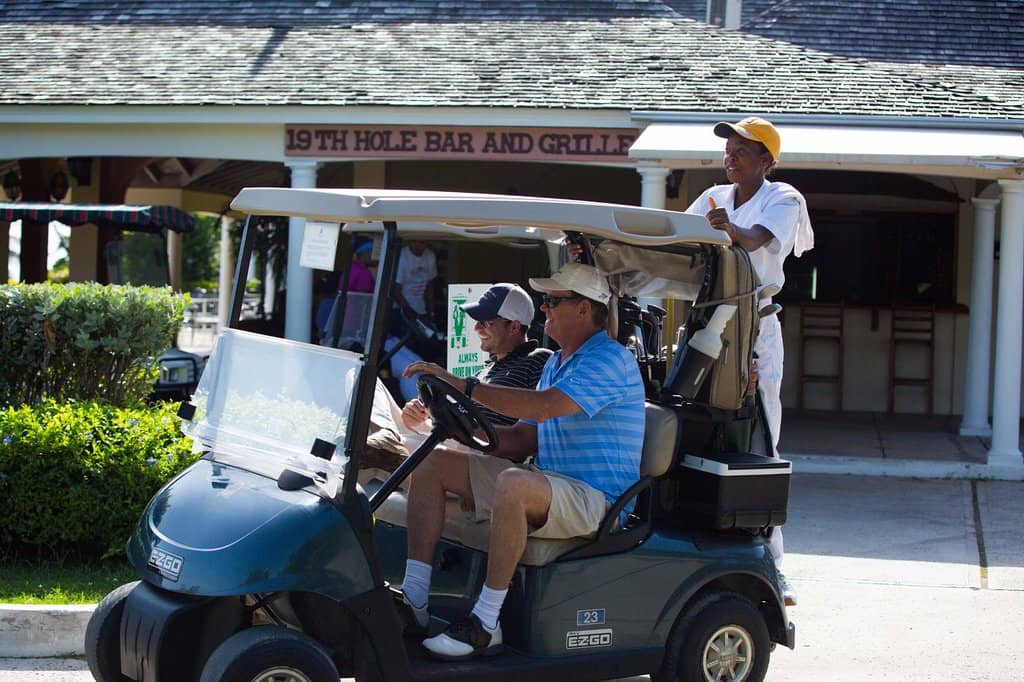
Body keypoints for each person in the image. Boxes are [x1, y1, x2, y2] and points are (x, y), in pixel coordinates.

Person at [399, 263, 645, 660]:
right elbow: (520, 438)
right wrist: (461, 429)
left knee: (513, 484)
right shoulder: (556, 362)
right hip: (552, 483)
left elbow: (545, 408)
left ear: (584, 309)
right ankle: (414, 601)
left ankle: (485, 623)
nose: (544, 309)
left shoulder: (609, 360)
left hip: (599, 500)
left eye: (553, 301)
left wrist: (461, 385)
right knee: (434, 462)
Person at [685, 116, 813, 606]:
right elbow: (680, 237)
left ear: (766, 161)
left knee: (762, 440)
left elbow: (756, 240)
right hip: (708, 326)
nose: (731, 157)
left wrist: (726, 228)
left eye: (743, 150)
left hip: (756, 326)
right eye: (729, 149)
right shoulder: (715, 194)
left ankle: (773, 566)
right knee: (704, 432)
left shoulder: (785, 197)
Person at [362, 283, 548, 473]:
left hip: (485, 456)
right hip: (454, 442)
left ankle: (389, 447)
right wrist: (420, 420)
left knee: (382, 448)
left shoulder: (538, 360)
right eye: (477, 321)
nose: (476, 328)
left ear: (514, 327)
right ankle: (387, 444)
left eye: (486, 322)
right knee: (365, 383)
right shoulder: (482, 372)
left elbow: (521, 435)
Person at [394, 239, 438, 323]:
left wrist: (431, 313)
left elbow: (430, 287)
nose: (418, 245)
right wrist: (408, 311)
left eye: (422, 242)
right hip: (401, 311)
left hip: (421, 310)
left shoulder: (430, 256)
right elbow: (395, 290)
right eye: (414, 241)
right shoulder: (402, 257)